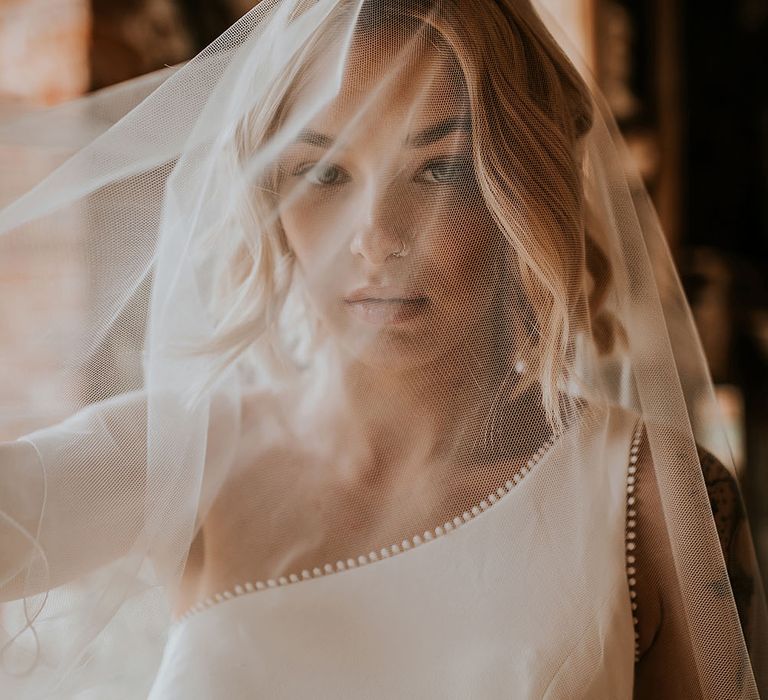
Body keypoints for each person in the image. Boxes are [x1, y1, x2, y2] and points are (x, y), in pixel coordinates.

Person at [0, 1, 765, 697]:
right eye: (323, 172)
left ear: (520, 189)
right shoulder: (184, 452)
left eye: (440, 168)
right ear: (270, 194)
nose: (376, 239)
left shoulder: (654, 498)